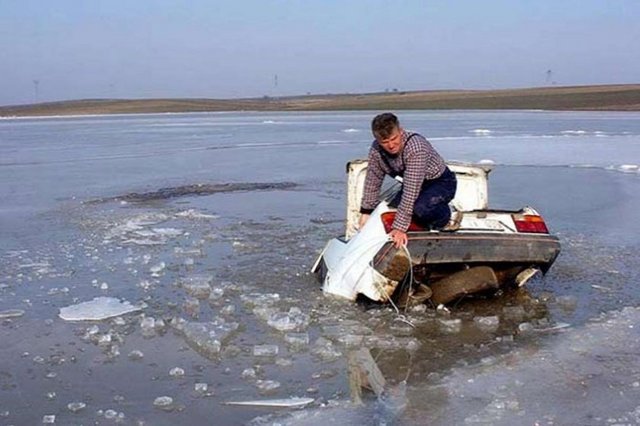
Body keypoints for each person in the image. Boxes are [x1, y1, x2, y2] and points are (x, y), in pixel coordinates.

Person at [358, 112, 457, 248]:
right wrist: (366, 212)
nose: (391, 146)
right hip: (415, 184)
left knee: (421, 209)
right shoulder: (376, 150)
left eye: (394, 139)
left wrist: (399, 229)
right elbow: (373, 180)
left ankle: (447, 216)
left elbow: (411, 189)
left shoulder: (416, 147)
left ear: (401, 131)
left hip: (440, 182)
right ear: (377, 140)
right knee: (389, 212)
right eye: (385, 142)